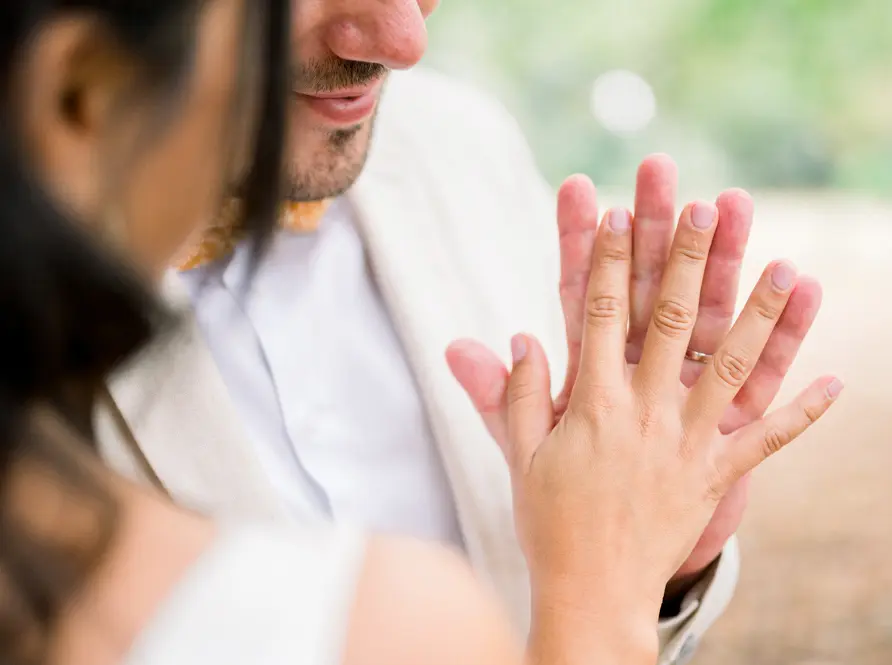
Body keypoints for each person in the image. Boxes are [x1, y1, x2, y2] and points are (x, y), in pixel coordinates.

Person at [1, 1, 841, 664]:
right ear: (79, 78)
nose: (404, 40)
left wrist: (656, 558)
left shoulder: (462, 144)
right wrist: (601, 597)